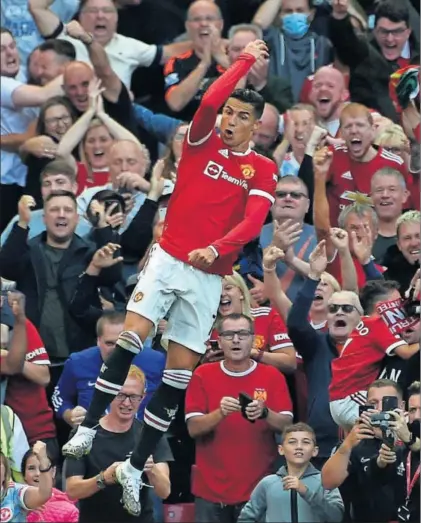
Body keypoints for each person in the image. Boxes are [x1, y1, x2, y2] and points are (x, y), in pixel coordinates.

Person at [63, 40, 278, 517]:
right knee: (132, 339)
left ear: (255, 125)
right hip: (170, 258)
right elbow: (206, 101)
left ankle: (134, 468)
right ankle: (88, 428)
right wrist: (243, 60)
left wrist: (218, 250)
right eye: (229, 111)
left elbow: (251, 223)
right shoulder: (201, 139)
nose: (229, 118)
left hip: (208, 274)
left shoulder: (263, 168)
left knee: (178, 375)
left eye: (241, 115)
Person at [186, 313, 293, 522]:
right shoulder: (202, 374)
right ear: (220, 340)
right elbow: (193, 428)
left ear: (253, 339)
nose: (236, 340)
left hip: (258, 490)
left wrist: (264, 413)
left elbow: (287, 425)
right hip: (210, 492)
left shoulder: (272, 375)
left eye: (242, 334)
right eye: (228, 334)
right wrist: (220, 413)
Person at [65, 366, 173, 523]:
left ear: (142, 397)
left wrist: (151, 469)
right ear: (110, 394)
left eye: (134, 397)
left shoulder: (151, 434)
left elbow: (165, 491)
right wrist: (104, 478)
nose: (127, 403)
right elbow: (72, 490)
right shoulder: (84, 434)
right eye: (121, 395)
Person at [329, 280, 419, 431]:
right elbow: (406, 352)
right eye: (397, 303)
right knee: (399, 422)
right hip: (350, 397)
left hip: (344, 398)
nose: (402, 307)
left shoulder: (367, 322)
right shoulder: (378, 323)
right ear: (382, 307)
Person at [237, 423, 344, 523]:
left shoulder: (325, 481)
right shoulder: (267, 483)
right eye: (292, 442)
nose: (299, 447)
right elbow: (246, 518)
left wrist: (306, 492)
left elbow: (336, 517)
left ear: (315, 451)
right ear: (281, 449)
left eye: (305, 442)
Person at [22, 447, 79, 522]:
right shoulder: (11, 505)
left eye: (43, 468)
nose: (38, 473)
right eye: (31, 468)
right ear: (24, 475)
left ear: (53, 472)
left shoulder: (69, 510)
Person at [0, 444, 53, 523]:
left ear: (5, 473)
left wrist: (43, 461)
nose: (37, 474)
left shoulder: (14, 492)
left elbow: (43, 494)